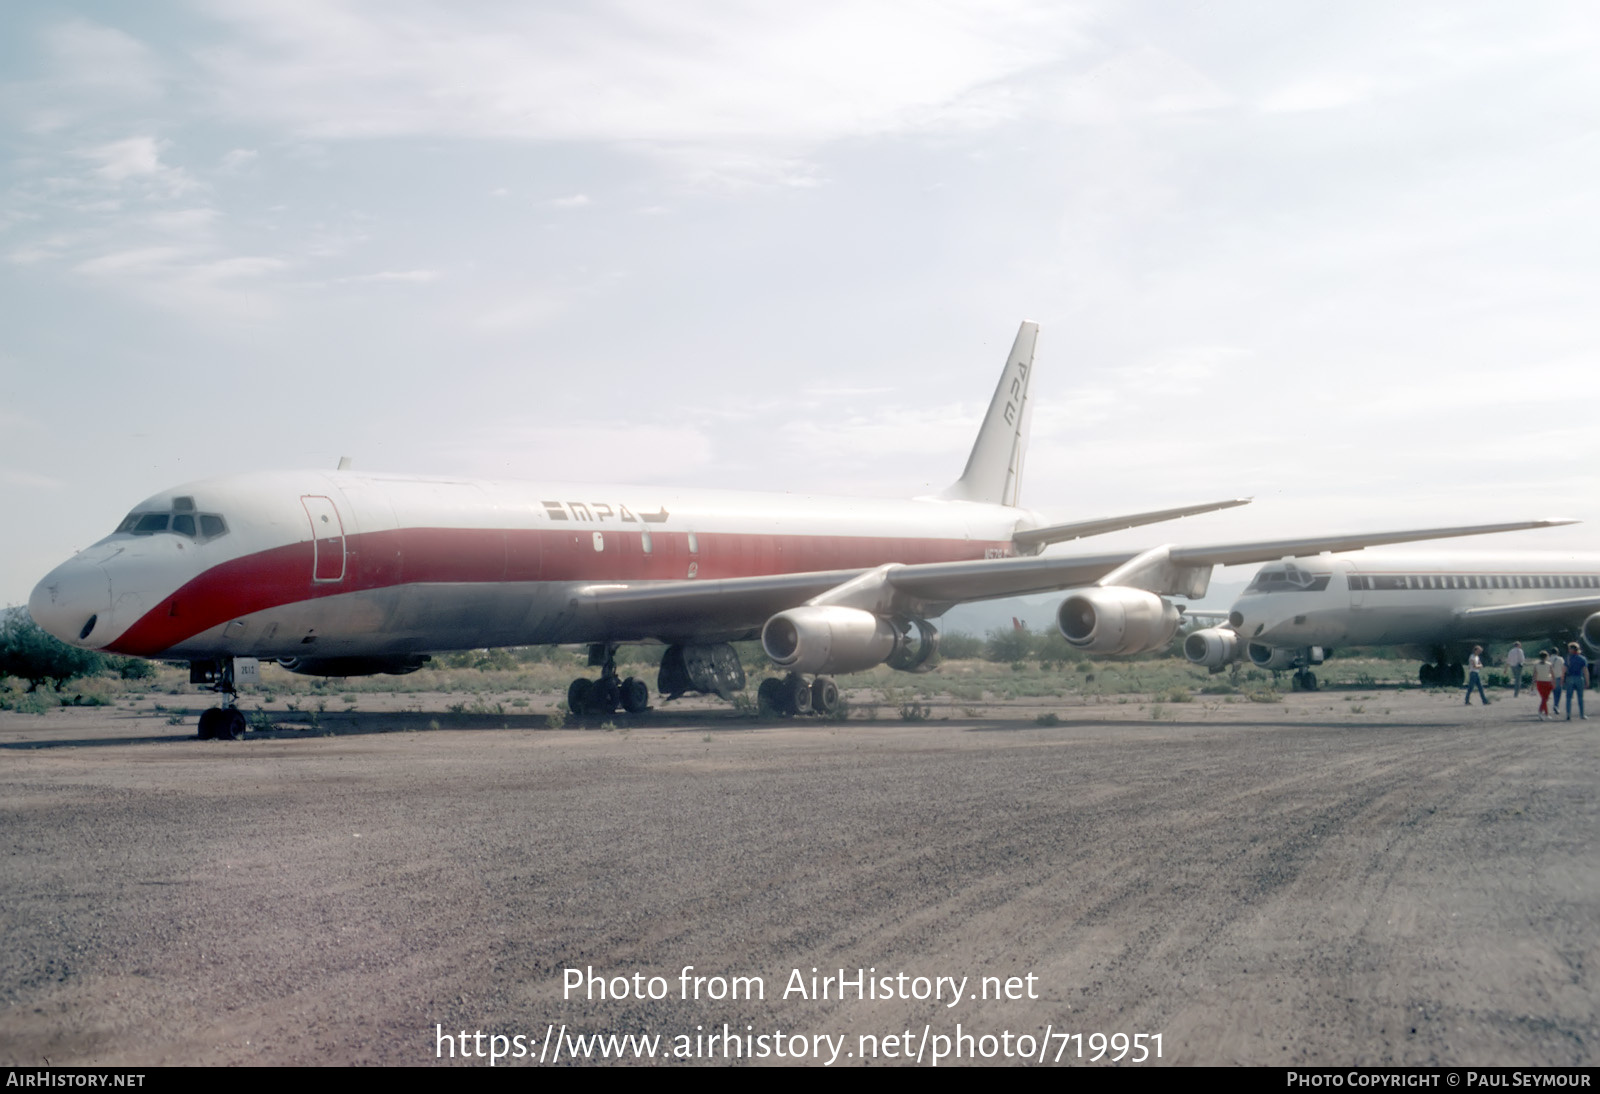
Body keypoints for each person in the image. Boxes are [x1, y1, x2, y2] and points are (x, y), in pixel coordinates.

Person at [1564, 642, 1588, 720]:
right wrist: (1587, 681)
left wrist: (1562, 679)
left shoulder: (1568, 658)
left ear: (1570, 650)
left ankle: (1568, 714)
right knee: (1580, 697)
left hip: (1570, 678)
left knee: (1568, 697)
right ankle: (1582, 714)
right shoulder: (1582, 658)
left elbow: (1564, 669)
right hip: (1579, 677)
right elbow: (1585, 671)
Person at [1533, 651, 1554, 719]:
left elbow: (1535, 675)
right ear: (1546, 657)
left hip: (1539, 682)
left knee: (1544, 698)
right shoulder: (1549, 664)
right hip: (1547, 682)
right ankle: (1541, 712)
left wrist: (1533, 684)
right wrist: (1554, 682)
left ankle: (1545, 713)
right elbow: (1552, 674)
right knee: (1545, 698)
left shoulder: (1536, 665)